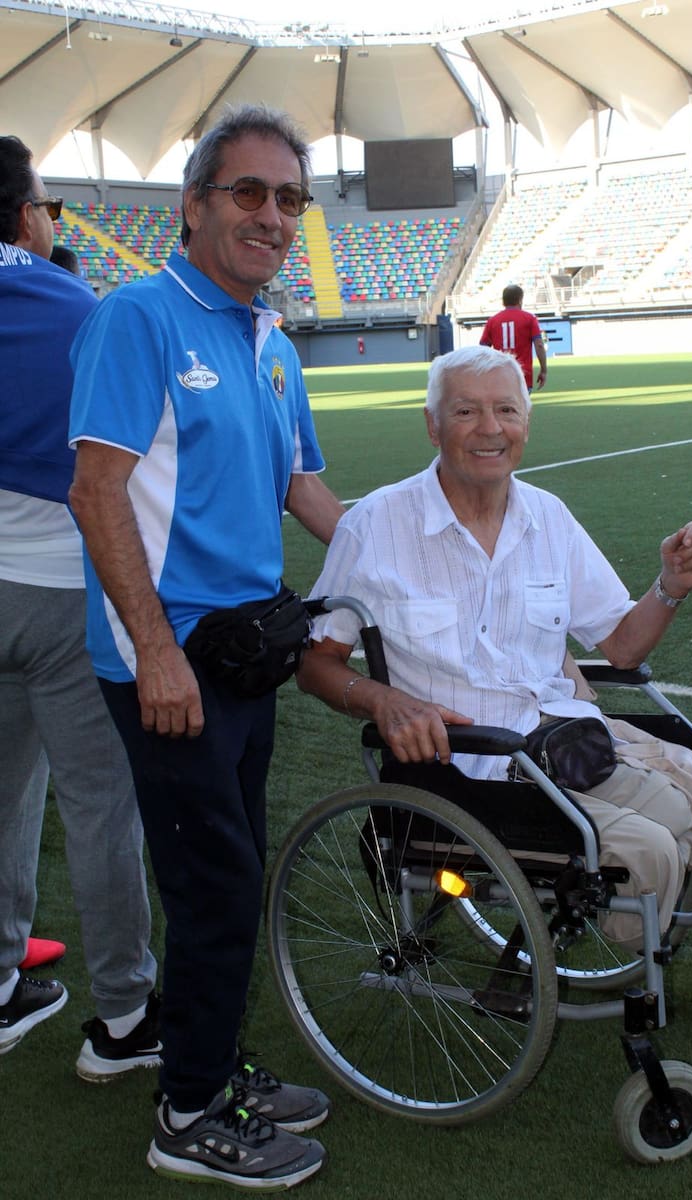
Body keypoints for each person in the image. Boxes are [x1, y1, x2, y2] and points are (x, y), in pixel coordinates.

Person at [68, 104, 345, 1191]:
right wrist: (155, 652)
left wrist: (414, 542)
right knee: (216, 883)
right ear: (192, 206)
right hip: (167, 665)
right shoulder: (138, 317)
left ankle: (207, 1062)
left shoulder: (270, 337)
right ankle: (187, 1112)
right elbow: (96, 493)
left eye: (289, 199)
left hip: (243, 655)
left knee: (220, 876)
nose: (271, 216)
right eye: (248, 193)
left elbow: (302, 486)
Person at [295, 344, 692, 949]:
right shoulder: (374, 526)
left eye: (506, 410)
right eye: (465, 413)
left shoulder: (548, 517)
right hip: (465, 774)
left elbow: (621, 647)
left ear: (526, 424)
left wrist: (672, 586)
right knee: (654, 848)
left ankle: (578, 935)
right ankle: (627, 963)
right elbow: (314, 663)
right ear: (432, 425)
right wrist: (381, 700)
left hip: (563, 744)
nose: (489, 429)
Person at [0, 135, 159, 1072]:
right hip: (63, 591)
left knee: (4, 794)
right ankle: (128, 1017)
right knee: (100, 806)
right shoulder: (75, 301)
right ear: (28, 216)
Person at [480, 283, 547, 390]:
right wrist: (544, 370)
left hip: (500, 375)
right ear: (520, 300)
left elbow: (483, 349)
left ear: (503, 301)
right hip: (523, 375)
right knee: (520, 406)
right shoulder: (529, 318)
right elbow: (539, 345)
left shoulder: (492, 321)